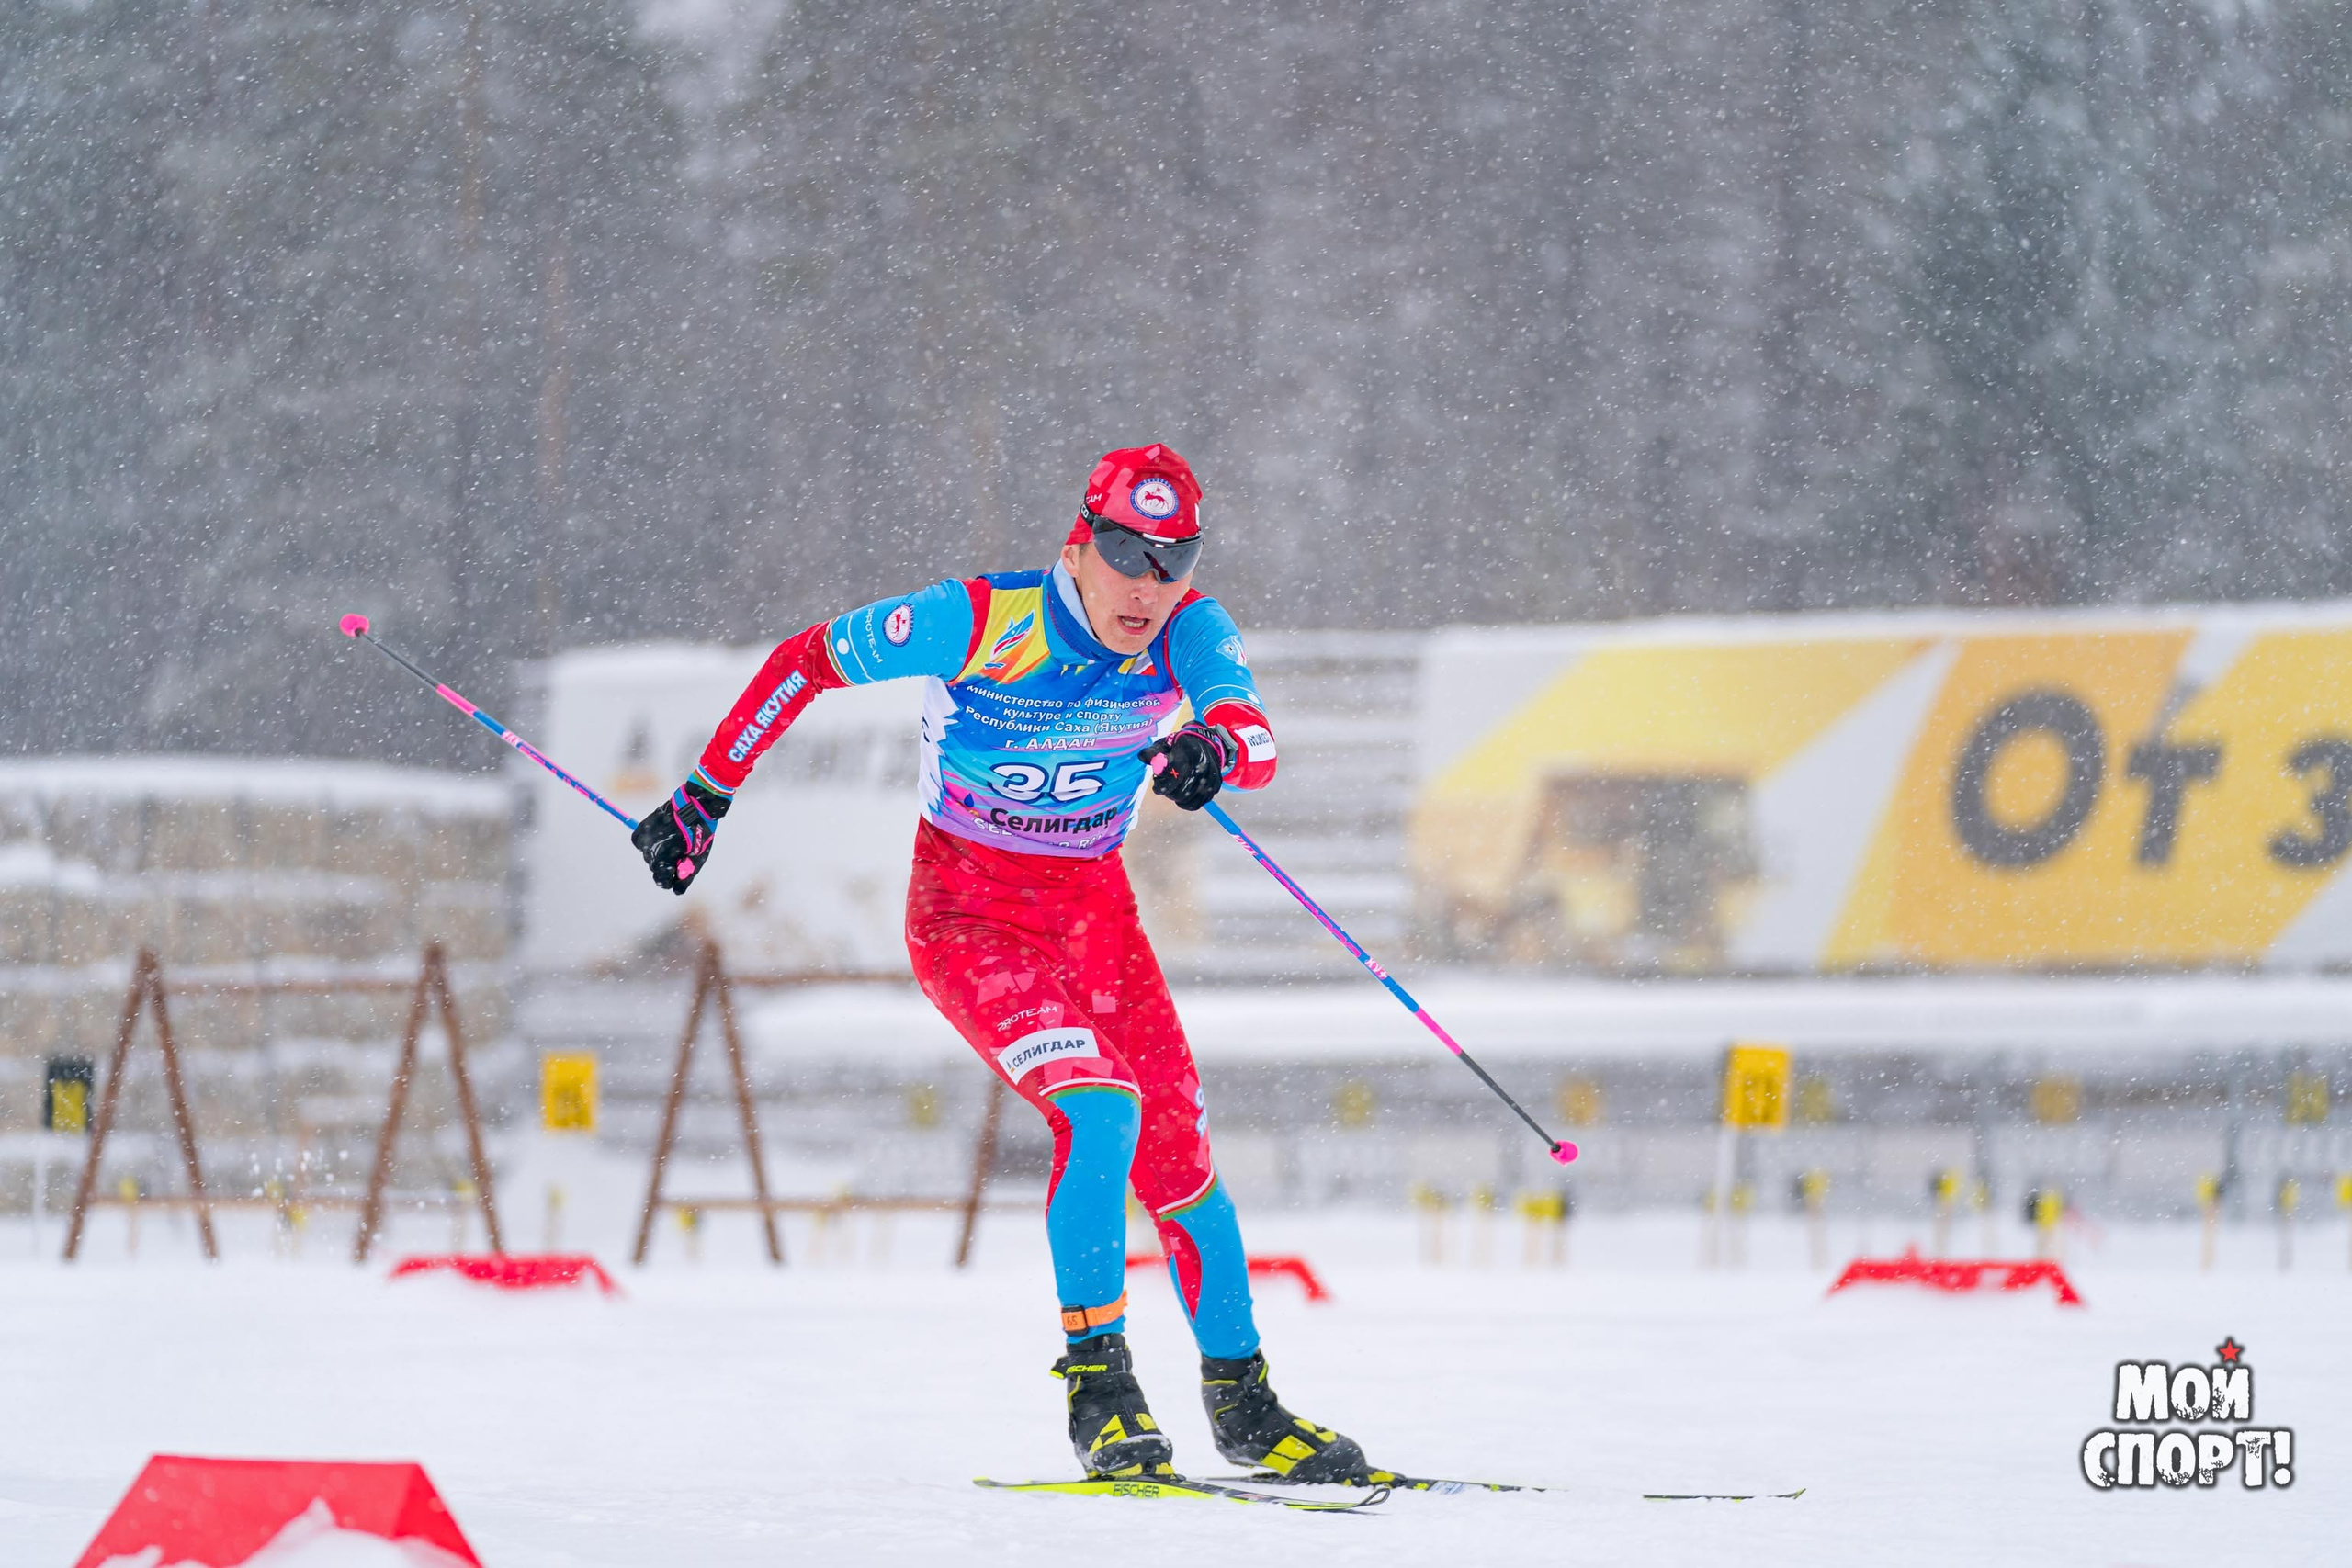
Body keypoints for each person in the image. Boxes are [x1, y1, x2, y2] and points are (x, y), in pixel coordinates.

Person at [632, 445, 1370, 1483]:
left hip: (1095, 914)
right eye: (1126, 552)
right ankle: (1101, 1390)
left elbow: (1251, 728)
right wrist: (704, 795)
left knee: (1180, 1157)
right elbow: (803, 661)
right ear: (1080, 542)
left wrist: (1215, 751)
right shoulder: (979, 620)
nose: (1148, 584)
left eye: (1174, 559)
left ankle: (1244, 1405)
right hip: (970, 918)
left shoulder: (1187, 631)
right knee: (1099, 1107)